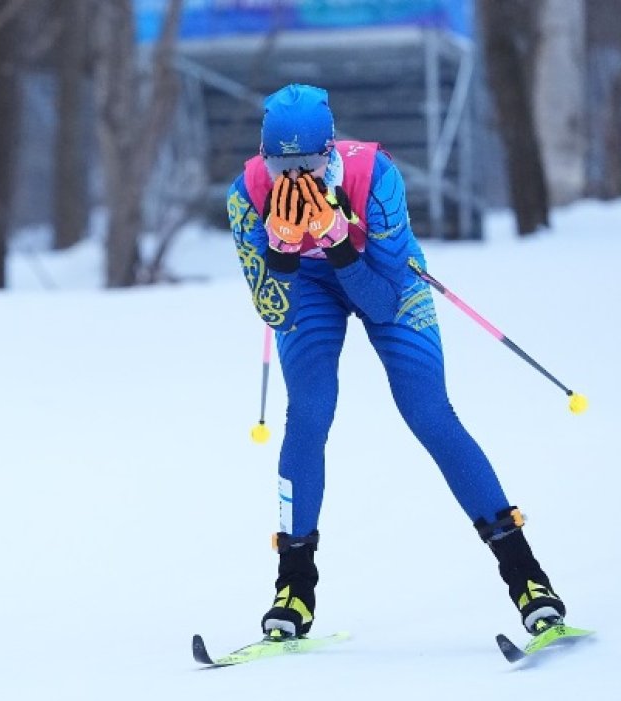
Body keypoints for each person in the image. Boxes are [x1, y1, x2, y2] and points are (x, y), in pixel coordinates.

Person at [225, 84, 569, 639]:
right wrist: (281, 256)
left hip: (380, 275)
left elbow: (383, 303)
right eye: (281, 164)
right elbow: (271, 307)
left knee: (429, 412)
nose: (294, 179)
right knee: (309, 414)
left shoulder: (374, 177)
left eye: (309, 163)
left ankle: (527, 579)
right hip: (308, 287)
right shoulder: (246, 194)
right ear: (265, 158)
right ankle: (294, 590)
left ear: (329, 150)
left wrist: (339, 244)